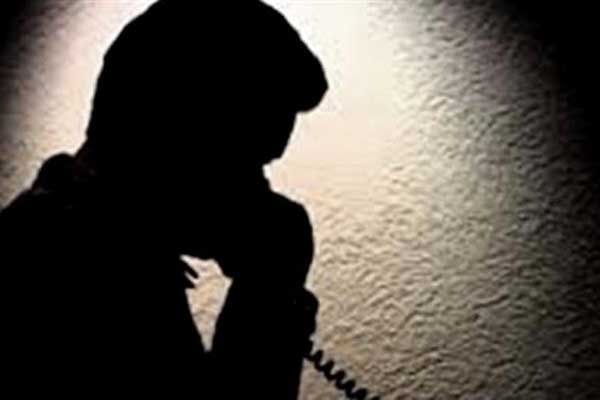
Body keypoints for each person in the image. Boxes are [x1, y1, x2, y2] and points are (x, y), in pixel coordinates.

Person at [0, 1, 327, 398]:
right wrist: (271, 288)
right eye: (245, 160)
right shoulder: (78, 262)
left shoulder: (103, 238)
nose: (259, 188)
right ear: (170, 129)